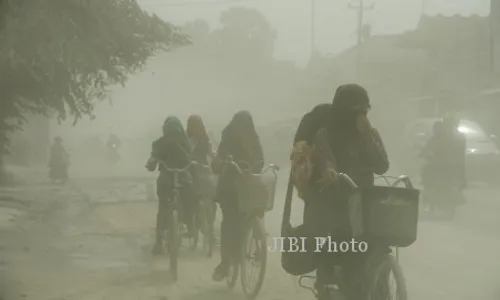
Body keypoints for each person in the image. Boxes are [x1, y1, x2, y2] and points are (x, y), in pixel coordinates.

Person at [292, 84, 389, 300]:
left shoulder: (370, 134)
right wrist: (329, 171)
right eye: (357, 111)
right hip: (335, 198)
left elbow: (382, 166)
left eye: (365, 111)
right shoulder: (325, 134)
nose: (361, 116)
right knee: (338, 242)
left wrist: (367, 136)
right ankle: (328, 283)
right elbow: (326, 158)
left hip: (364, 199)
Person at [211, 111, 264, 281]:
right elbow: (260, 162)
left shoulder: (232, 138)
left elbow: (260, 161)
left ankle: (227, 263)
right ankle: (229, 261)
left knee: (231, 223)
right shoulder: (249, 139)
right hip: (239, 190)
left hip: (239, 189)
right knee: (234, 220)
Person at [146, 116, 194, 256]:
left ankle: (160, 242)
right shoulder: (163, 144)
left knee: (167, 207)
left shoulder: (181, 143)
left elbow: (191, 158)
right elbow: (153, 157)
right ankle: (161, 240)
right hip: (171, 178)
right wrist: (152, 163)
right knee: (168, 205)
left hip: (179, 176)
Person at [420, 115, 466, 210]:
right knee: (426, 173)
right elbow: (425, 151)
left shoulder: (450, 139)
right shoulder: (436, 139)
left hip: (445, 167)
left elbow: (459, 153)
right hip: (440, 167)